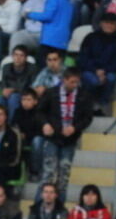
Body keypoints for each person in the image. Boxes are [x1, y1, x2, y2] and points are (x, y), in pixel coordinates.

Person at [36, 69, 92, 199]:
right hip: (52, 137)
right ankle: (38, 209)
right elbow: (39, 112)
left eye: (77, 82)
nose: (75, 85)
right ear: (64, 80)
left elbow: (88, 117)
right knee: (48, 175)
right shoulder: (51, 93)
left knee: (64, 178)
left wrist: (75, 127)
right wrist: (45, 124)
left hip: (70, 139)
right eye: (72, 82)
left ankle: (60, 209)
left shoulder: (84, 95)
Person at [78, 14, 116, 114]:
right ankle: (88, 104)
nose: (109, 26)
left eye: (112, 24)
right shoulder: (90, 38)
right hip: (90, 69)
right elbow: (83, 58)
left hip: (108, 71)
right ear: (101, 24)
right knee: (93, 81)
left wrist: (104, 71)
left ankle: (102, 104)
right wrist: (96, 70)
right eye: (106, 23)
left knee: (111, 78)